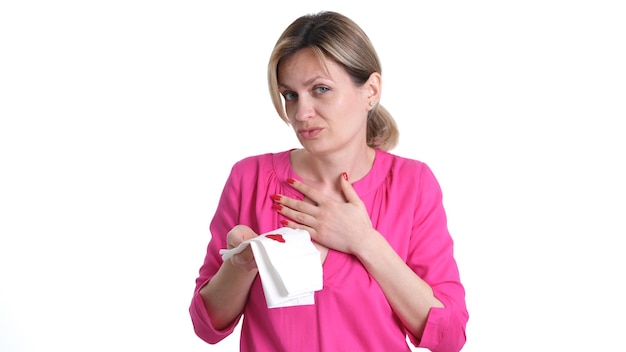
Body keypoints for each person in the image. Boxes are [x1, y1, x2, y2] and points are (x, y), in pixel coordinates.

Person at [189, 10, 469, 352]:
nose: (301, 114)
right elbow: (207, 326)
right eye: (290, 94)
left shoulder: (412, 184)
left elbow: (449, 335)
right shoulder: (249, 179)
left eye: (320, 89)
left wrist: (364, 241)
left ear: (371, 91)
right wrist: (240, 265)